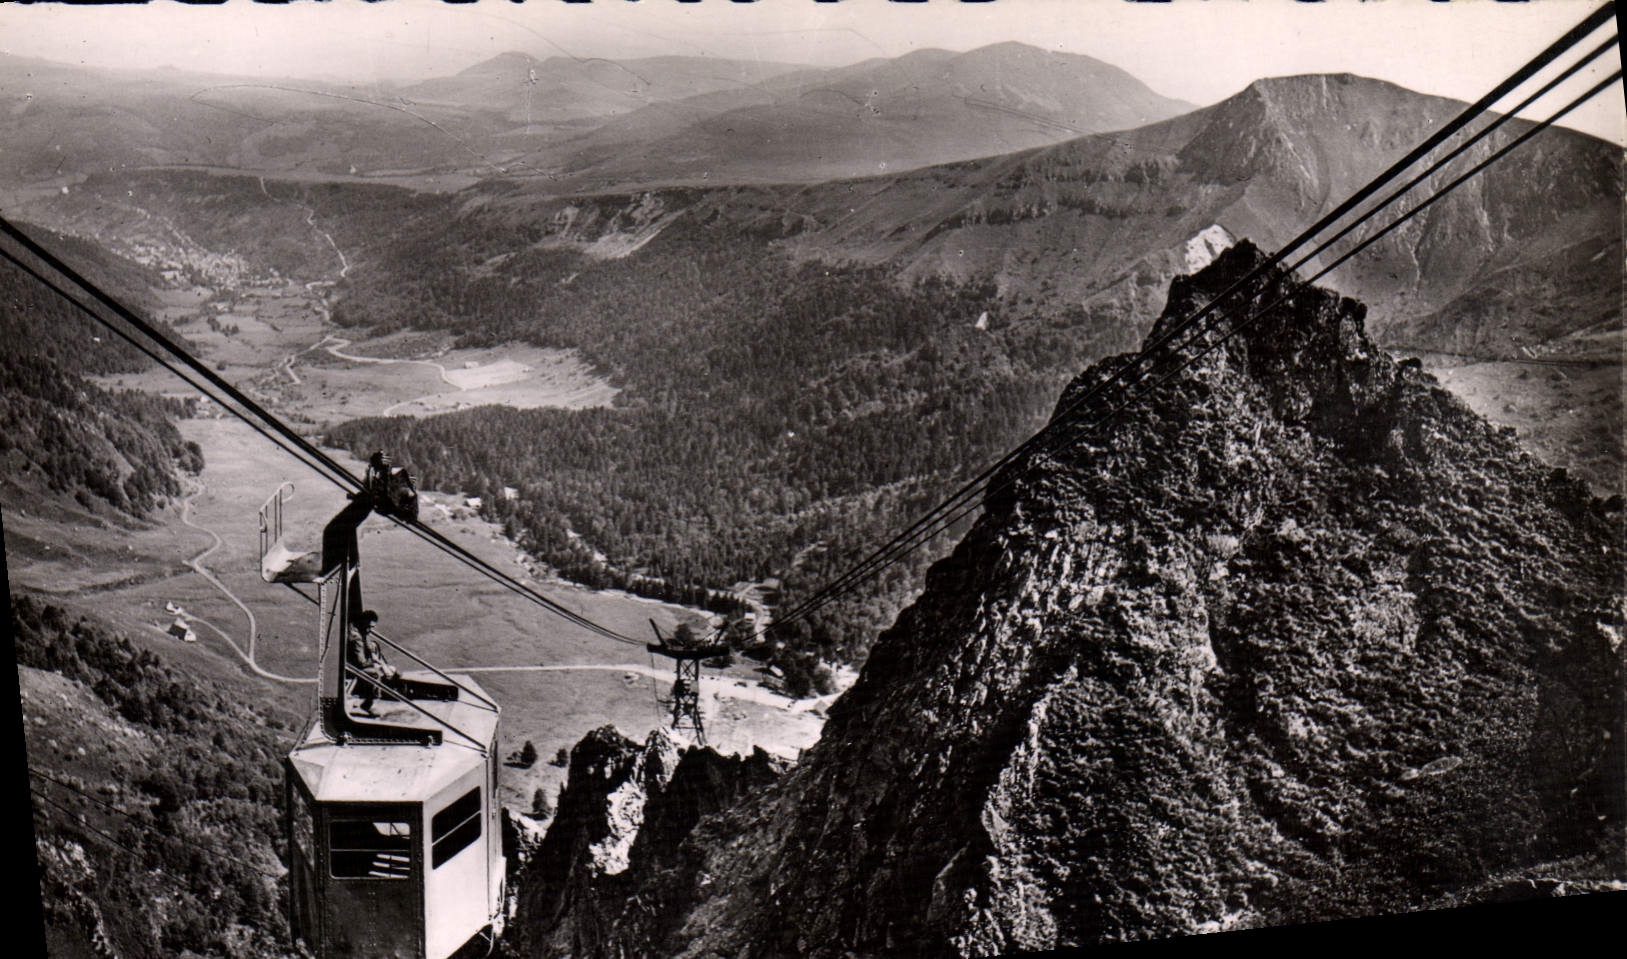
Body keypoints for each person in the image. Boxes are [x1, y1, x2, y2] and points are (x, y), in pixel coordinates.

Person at [351, 609, 400, 717]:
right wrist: (376, 664)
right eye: (370, 626)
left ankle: (388, 693)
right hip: (354, 668)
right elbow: (361, 662)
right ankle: (368, 704)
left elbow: (369, 648)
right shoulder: (357, 638)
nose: (371, 630)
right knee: (375, 673)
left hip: (362, 664)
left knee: (390, 669)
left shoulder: (364, 633)